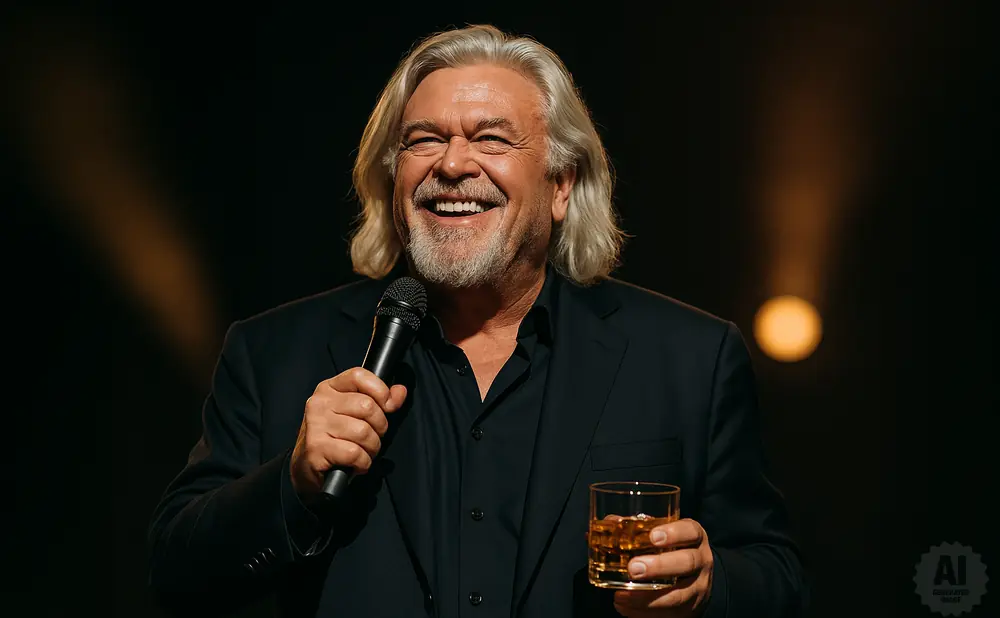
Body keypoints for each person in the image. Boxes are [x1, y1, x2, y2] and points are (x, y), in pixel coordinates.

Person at [148, 24, 808, 618]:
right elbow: (176, 574)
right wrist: (292, 485)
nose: (453, 164)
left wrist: (709, 584)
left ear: (561, 185)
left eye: (491, 138)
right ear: (393, 178)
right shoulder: (274, 354)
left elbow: (779, 578)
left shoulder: (689, 357)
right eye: (423, 141)